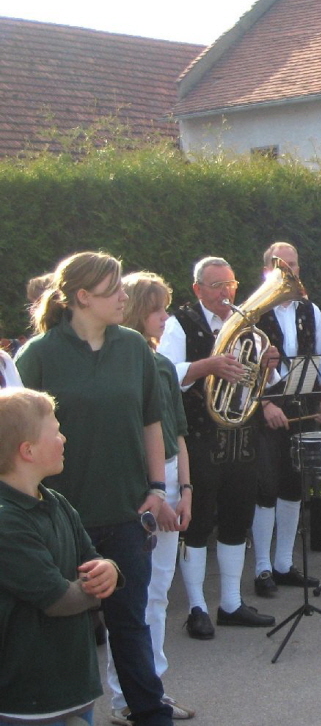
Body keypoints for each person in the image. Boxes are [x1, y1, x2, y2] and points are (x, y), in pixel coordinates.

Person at [15, 252, 175, 726]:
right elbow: (14, 442)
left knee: (131, 623)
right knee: (60, 627)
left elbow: (152, 421)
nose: (126, 296)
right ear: (83, 297)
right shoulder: (37, 355)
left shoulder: (133, 348)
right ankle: (62, 715)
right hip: (58, 519)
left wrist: (157, 489)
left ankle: (149, 712)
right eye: (115, 290)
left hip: (127, 513)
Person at [158, 257, 276, 640]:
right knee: (198, 523)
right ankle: (196, 607)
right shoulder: (180, 324)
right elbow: (166, 373)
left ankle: (230, 603)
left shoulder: (250, 329)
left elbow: (263, 387)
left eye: (230, 284)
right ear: (197, 289)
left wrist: (269, 367)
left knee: (237, 520)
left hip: (242, 437)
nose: (225, 293)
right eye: (215, 285)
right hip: (201, 438)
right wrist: (208, 365)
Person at [0, 388, 121, 726]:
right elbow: (57, 600)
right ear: (27, 450)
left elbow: (91, 558)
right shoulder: (7, 520)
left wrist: (108, 569)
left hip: (73, 687)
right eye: (55, 431)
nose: (64, 438)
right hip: (28, 698)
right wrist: (97, 588)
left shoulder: (56, 501)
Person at [106, 273, 195, 724]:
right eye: (159, 309)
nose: (165, 317)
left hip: (169, 480)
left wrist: (185, 491)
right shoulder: (127, 362)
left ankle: (148, 688)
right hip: (143, 488)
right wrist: (155, 493)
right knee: (136, 597)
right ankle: (130, 695)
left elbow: (176, 430)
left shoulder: (160, 364)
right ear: (140, 310)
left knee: (157, 592)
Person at [250, 242, 321, 598]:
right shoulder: (252, 311)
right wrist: (264, 403)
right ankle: (262, 569)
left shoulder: (310, 309)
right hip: (265, 411)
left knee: (293, 486)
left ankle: (284, 564)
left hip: (302, 406)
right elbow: (243, 365)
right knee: (266, 488)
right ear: (266, 270)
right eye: (280, 264)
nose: (288, 269)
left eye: (293, 264)